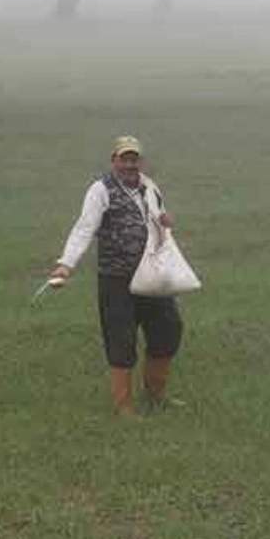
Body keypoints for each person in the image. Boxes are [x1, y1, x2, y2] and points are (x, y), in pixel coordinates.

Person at [49, 135, 184, 418]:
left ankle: (155, 395)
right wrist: (66, 264)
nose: (129, 164)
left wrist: (164, 221)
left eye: (134, 158)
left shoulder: (149, 186)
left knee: (168, 331)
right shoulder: (100, 190)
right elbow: (84, 228)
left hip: (153, 276)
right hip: (117, 280)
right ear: (113, 161)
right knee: (121, 340)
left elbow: (158, 218)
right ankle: (123, 406)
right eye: (124, 158)